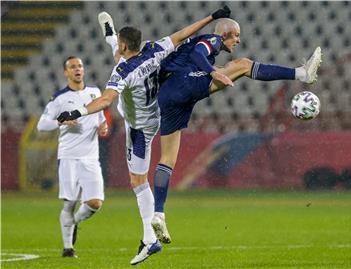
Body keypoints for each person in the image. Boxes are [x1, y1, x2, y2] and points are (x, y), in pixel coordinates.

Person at [57, 6, 232, 265]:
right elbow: (183, 33)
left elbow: (106, 100)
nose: (120, 49)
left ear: (126, 45)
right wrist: (212, 17)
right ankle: (109, 35)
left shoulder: (123, 70)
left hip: (139, 127)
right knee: (120, 60)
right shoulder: (154, 49)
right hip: (155, 110)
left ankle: (150, 240)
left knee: (138, 182)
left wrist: (78, 110)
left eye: (119, 44)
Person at [149, 18, 323, 244]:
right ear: (225, 34)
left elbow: (186, 61)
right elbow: (198, 54)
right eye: (236, 35)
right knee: (242, 64)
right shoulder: (210, 39)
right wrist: (213, 72)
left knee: (167, 159)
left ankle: (159, 213)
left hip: (169, 97)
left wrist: (214, 71)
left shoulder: (192, 48)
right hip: (183, 86)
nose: (238, 40)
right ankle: (302, 74)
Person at [37, 56, 109, 258]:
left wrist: (103, 126)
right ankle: (68, 249)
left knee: (95, 203)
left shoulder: (95, 92)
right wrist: (61, 122)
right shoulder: (59, 98)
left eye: (80, 66)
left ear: (83, 70)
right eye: (72, 67)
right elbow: (41, 125)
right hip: (68, 158)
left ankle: (74, 222)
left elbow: (101, 118)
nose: (77, 69)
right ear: (65, 72)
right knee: (69, 203)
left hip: (91, 158)